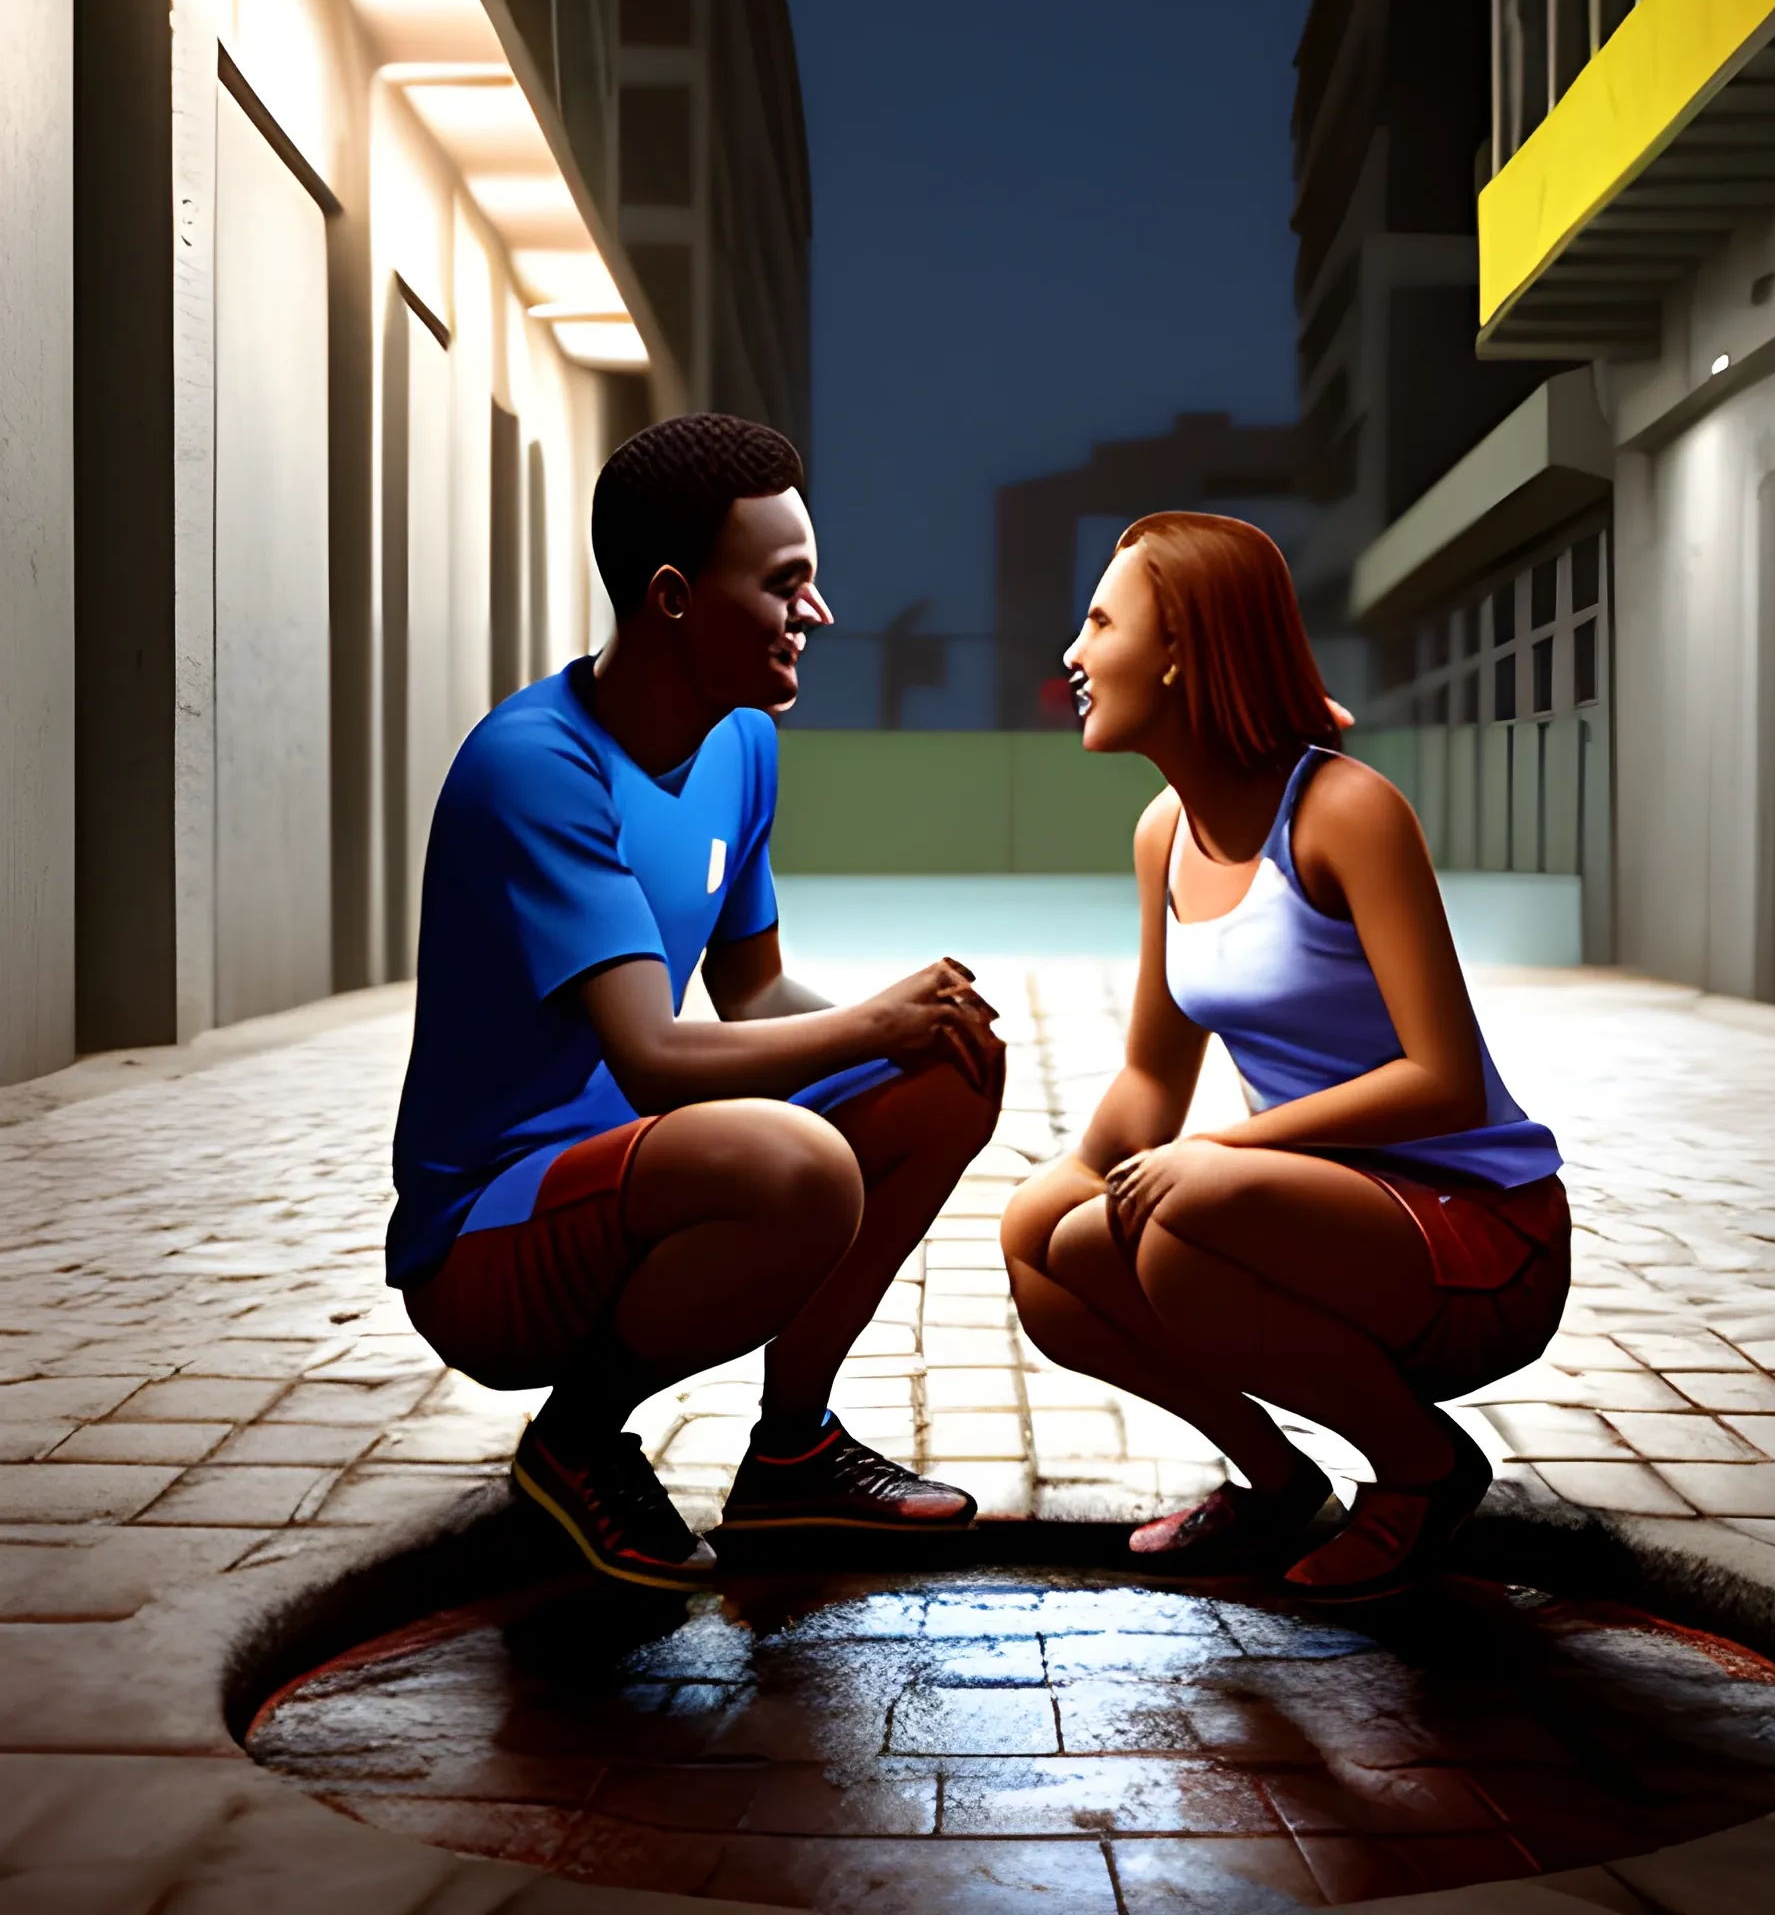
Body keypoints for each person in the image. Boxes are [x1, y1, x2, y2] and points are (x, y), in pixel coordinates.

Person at [388, 414, 1005, 1590]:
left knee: (948, 1067)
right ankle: (577, 1439)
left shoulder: (740, 744)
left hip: (631, 1161)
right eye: (783, 586)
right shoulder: (536, 765)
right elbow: (657, 1055)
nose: (813, 615)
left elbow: (755, 988)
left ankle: (792, 1450)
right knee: (800, 1163)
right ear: (672, 597)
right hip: (491, 1240)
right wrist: (876, 1018)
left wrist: (911, 1039)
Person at [1000, 513, 1567, 1602]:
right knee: (1045, 1239)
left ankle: (1421, 1470)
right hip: (1311, 1212)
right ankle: (1273, 1481)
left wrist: (1219, 1151)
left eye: (1099, 621)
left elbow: (1439, 1077)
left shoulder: (1345, 813)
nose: (1072, 653)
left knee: (1182, 1226)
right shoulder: (1161, 831)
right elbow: (1150, 1078)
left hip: (1481, 1235)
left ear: (1180, 652)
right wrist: (1068, 1191)